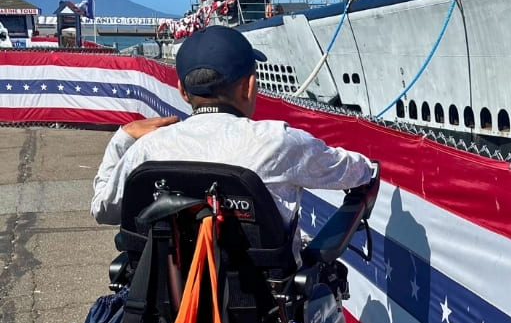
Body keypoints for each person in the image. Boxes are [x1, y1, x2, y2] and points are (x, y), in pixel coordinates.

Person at [91, 25, 375, 253]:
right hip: (264, 312)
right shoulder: (278, 141)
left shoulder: (148, 149)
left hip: (173, 311)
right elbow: (354, 171)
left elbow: (102, 209)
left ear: (182, 91)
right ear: (249, 85)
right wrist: (370, 168)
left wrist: (122, 138)